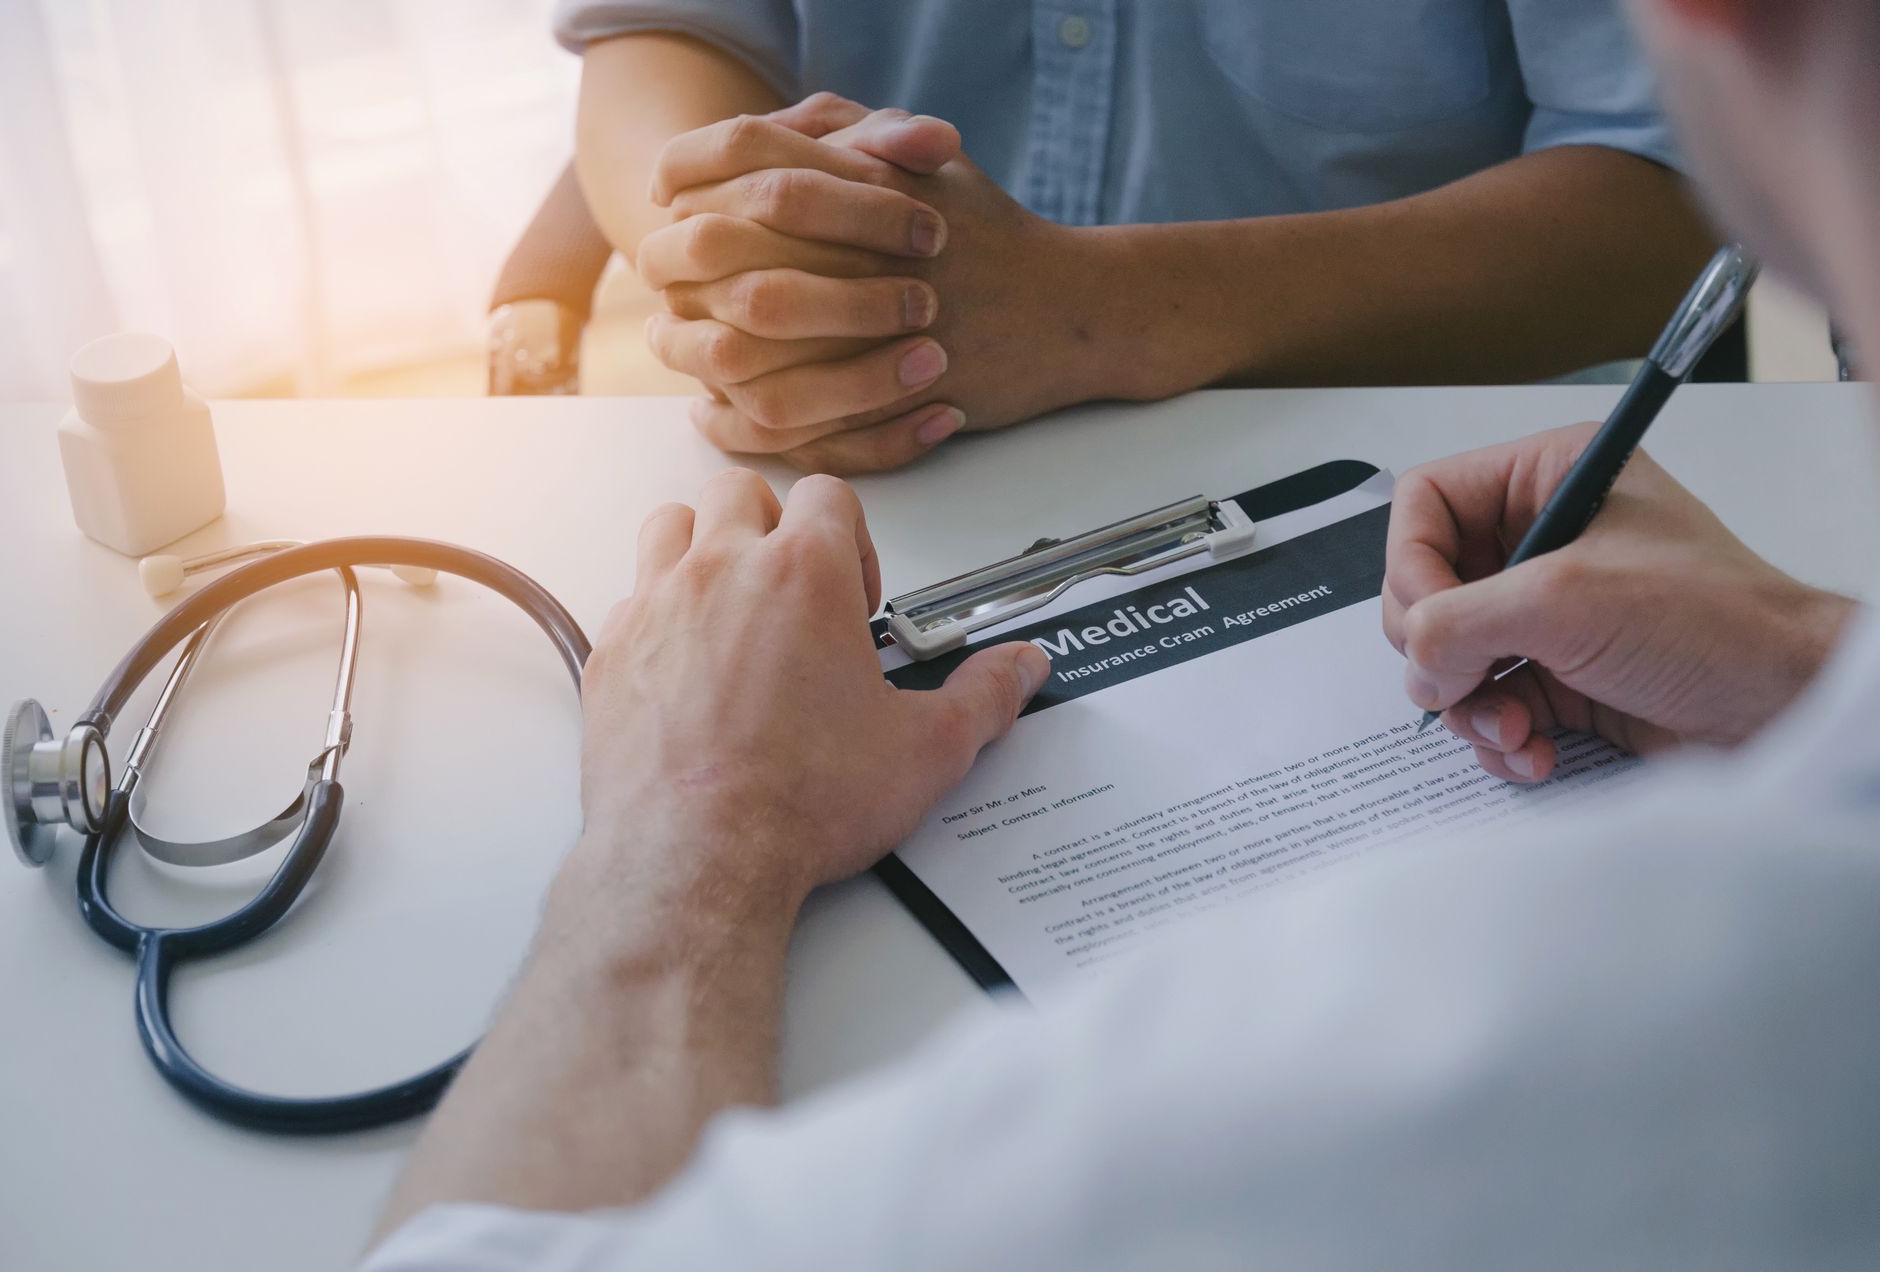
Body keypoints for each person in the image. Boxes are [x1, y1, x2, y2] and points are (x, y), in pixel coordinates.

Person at [361, 0, 1880, 1263]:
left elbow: (1651, 189)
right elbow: (662, 35)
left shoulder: (1375, 1077)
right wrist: (750, 259)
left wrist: (688, 831)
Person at [551, 2, 1719, 474]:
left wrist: (1094, 313)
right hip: (861, 456)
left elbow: (1679, 194)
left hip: (1412, 469)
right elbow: (662, 35)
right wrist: (763, 270)